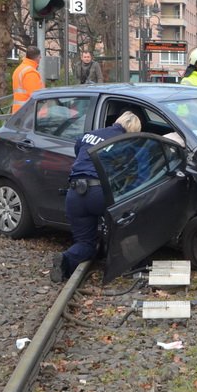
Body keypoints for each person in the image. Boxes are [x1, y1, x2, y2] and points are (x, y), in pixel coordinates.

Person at [51, 111, 142, 282]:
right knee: (125, 224)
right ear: (133, 130)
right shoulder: (125, 143)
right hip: (99, 192)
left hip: (74, 193)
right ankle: (129, 264)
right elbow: (133, 173)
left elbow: (79, 151)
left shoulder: (90, 135)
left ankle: (65, 259)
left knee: (86, 243)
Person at [11, 46, 44, 113]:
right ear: (38, 57)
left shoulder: (19, 69)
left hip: (19, 112)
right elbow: (37, 95)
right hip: (27, 112)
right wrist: (43, 113)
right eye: (40, 57)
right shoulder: (30, 72)